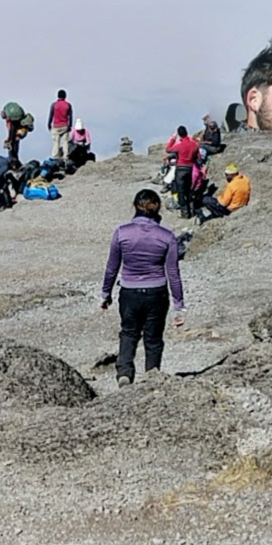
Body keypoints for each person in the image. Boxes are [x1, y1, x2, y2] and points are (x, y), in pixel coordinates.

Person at [101, 189, 186, 387]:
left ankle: (124, 373)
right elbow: (173, 273)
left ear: (135, 206)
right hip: (157, 292)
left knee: (129, 332)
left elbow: (112, 267)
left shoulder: (122, 232)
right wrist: (179, 305)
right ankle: (152, 376)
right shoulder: (167, 236)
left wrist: (106, 294)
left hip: (129, 291)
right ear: (158, 208)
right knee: (154, 337)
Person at [165, 125, 200, 219]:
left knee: (181, 191)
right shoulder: (194, 144)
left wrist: (173, 138)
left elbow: (168, 149)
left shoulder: (179, 145)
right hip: (189, 169)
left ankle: (185, 213)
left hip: (180, 169)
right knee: (188, 190)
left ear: (179, 134)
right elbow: (199, 157)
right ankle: (191, 210)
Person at [48, 89, 73, 161]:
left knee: (56, 142)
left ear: (58, 96)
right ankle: (65, 156)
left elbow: (51, 115)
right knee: (65, 142)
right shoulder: (68, 105)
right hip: (65, 125)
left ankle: (55, 157)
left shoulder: (54, 105)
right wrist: (70, 126)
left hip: (56, 126)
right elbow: (70, 116)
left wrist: (49, 124)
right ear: (65, 96)